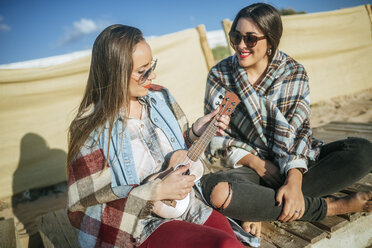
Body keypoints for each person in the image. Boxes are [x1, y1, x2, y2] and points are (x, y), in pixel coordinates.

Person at [201, 3, 372, 239]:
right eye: (236, 36)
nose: (241, 45)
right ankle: (331, 206)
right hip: (248, 168)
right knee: (214, 188)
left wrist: (293, 179)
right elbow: (217, 138)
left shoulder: (293, 72)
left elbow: (300, 131)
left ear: (270, 41)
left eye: (250, 39)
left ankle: (258, 206)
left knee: (362, 151)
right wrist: (259, 164)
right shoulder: (220, 75)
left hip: (294, 161)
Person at [66, 24, 246, 248]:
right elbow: (86, 205)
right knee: (223, 245)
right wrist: (155, 191)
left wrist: (194, 133)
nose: (153, 75)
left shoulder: (161, 97)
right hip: (140, 225)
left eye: (151, 66)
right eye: (142, 72)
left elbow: (180, 157)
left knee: (232, 241)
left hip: (187, 205)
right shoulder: (89, 128)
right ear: (114, 73)